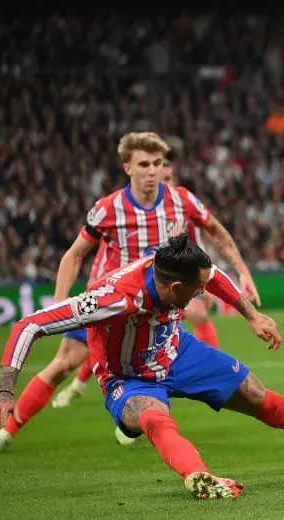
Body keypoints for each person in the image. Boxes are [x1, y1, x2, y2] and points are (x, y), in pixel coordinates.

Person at [0, 235, 284, 499]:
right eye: (196, 290)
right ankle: (198, 476)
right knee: (154, 418)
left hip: (179, 352)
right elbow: (29, 324)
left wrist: (252, 315)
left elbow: (213, 275)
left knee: (263, 398)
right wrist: (5, 390)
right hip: (128, 376)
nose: (203, 294)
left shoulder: (178, 270)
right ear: (174, 287)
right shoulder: (113, 299)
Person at [0, 132, 260, 454]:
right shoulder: (108, 209)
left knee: (152, 366)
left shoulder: (181, 201)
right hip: (107, 304)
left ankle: (132, 415)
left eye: (157, 163)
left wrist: (243, 271)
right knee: (62, 365)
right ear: (127, 168)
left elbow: (216, 231)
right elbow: (74, 255)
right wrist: (60, 305)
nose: (152, 171)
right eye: (144, 164)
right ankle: (5, 433)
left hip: (152, 309)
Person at [51, 152, 221, 411]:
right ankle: (82, 385)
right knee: (95, 350)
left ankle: (202, 375)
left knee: (159, 339)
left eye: (168, 177)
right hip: (119, 289)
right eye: (161, 176)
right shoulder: (121, 214)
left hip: (160, 288)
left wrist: (201, 283)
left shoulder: (178, 210)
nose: (163, 181)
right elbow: (95, 253)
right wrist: (92, 283)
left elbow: (194, 246)